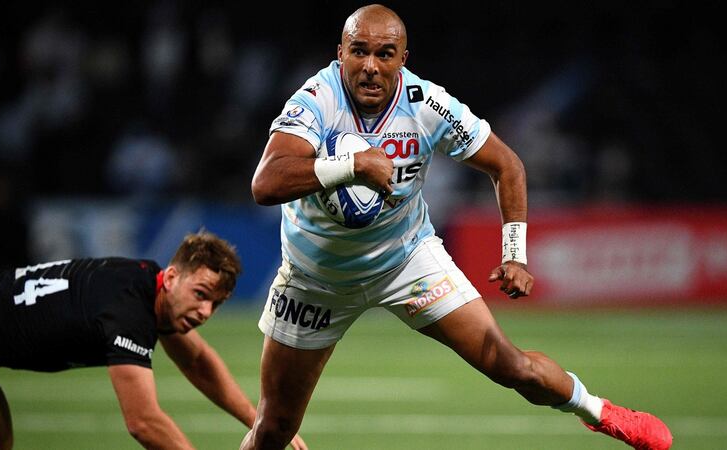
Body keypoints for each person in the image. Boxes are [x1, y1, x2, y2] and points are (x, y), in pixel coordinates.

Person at [242, 4, 672, 450]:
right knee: (274, 429)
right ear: (340, 53)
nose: (370, 66)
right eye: (359, 52)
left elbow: (507, 166)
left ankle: (601, 412)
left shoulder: (427, 104)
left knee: (512, 367)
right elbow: (265, 183)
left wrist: (514, 254)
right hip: (315, 281)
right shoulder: (316, 99)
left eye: (385, 54)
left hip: (406, 262)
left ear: (403, 60)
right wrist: (352, 165)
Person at [0, 231, 307, 450]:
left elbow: (197, 361)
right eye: (201, 294)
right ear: (172, 277)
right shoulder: (128, 312)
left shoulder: (146, 281)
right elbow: (143, 422)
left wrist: (257, 421)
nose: (205, 311)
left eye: (215, 304)